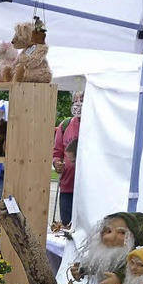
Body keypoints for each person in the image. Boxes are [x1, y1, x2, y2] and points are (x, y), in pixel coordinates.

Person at [52, 91, 83, 226]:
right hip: (67, 187)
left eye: (82, 100)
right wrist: (56, 163)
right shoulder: (64, 126)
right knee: (66, 226)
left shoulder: (98, 126)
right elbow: (57, 152)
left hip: (88, 190)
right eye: (75, 101)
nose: (78, 104)